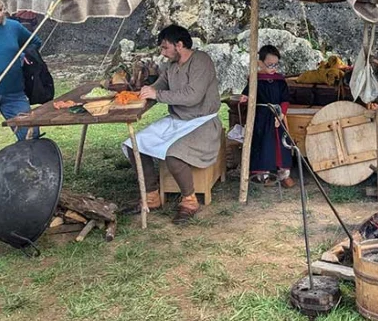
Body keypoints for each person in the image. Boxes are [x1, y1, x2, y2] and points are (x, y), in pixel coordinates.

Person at [123, 24, 223, 224]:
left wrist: (157, 95)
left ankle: (190, 200)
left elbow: (193, 96)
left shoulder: (200, 60)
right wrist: (147, 90)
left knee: (174, 154)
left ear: (179, 45)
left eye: (165, 48)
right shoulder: (171, 66)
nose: (163, 53)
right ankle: (151, 196)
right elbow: (162, 83)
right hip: (177, 120)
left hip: (202, 121)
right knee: (133, 144)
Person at [240, 45, 295, 188]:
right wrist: (245, 97)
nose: (274, 67)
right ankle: (262, 176)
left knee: (281, 145)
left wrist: (281, 114)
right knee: (263, 144)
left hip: (278, 116)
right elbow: (246, 94)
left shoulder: (280, 80)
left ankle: (284, 175)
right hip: (261, 117)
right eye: (270, 64)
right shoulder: (255, 79)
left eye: (276, 64)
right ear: (260, 63)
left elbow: (285, 99)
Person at [0, 0, 41, 141]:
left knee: (30, 132)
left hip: (13, 93)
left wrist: (24, 54)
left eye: (0, 9)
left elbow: (35, 42)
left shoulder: (13, 27)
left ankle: (27, 163)